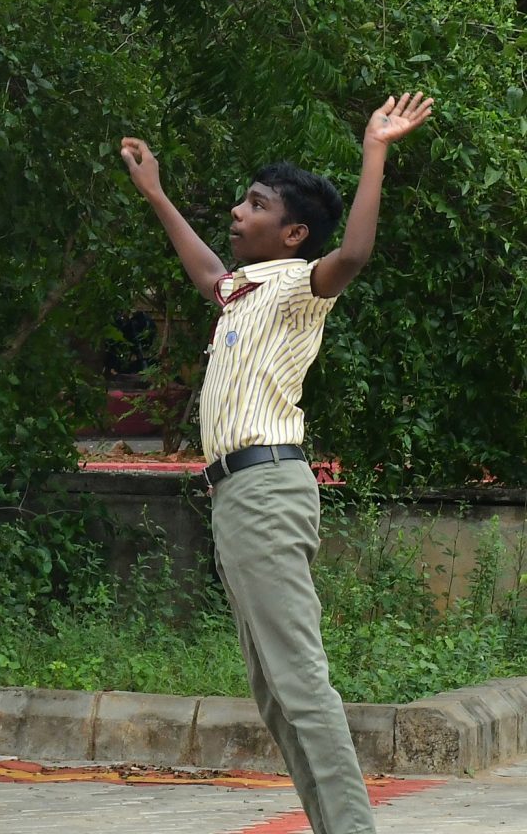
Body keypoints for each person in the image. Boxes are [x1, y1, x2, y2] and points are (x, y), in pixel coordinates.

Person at [118, 93, 435, 834]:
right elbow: (206, 274)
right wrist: (157, 193)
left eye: (255, 205)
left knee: (300, 683)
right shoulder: (245, 290)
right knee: (273, 693)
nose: (238, 210)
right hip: (236, 496)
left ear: (292, 232)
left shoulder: (300, 285)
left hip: (267, 488)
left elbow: (352, 254)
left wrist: (375, 150)